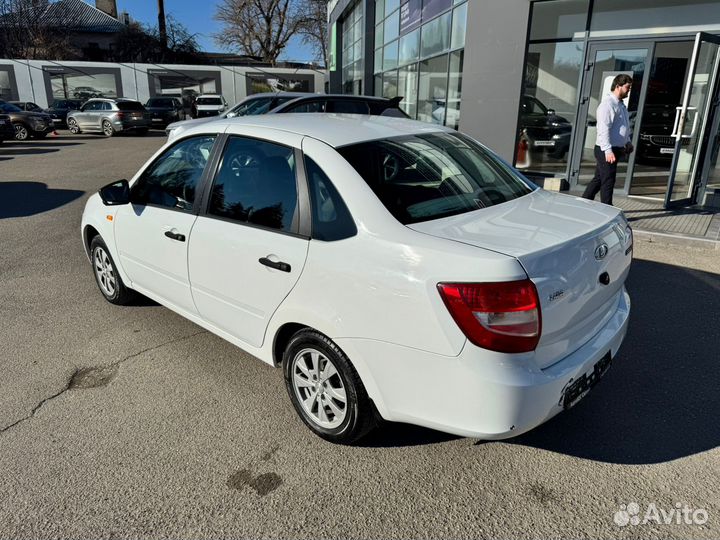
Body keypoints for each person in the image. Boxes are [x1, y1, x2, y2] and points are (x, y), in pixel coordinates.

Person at [582, 74, 634, 205]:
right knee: (608, 180)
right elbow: (603, 129)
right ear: (618, 86)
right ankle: (608, 209)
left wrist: (627, 141)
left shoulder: (621, 105)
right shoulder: (608, 105)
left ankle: (582, 203)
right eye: (627, 87)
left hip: (614, 149)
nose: (629, 90)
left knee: (599, 179)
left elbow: (623, 126)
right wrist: (608, 150)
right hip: (606, 150)